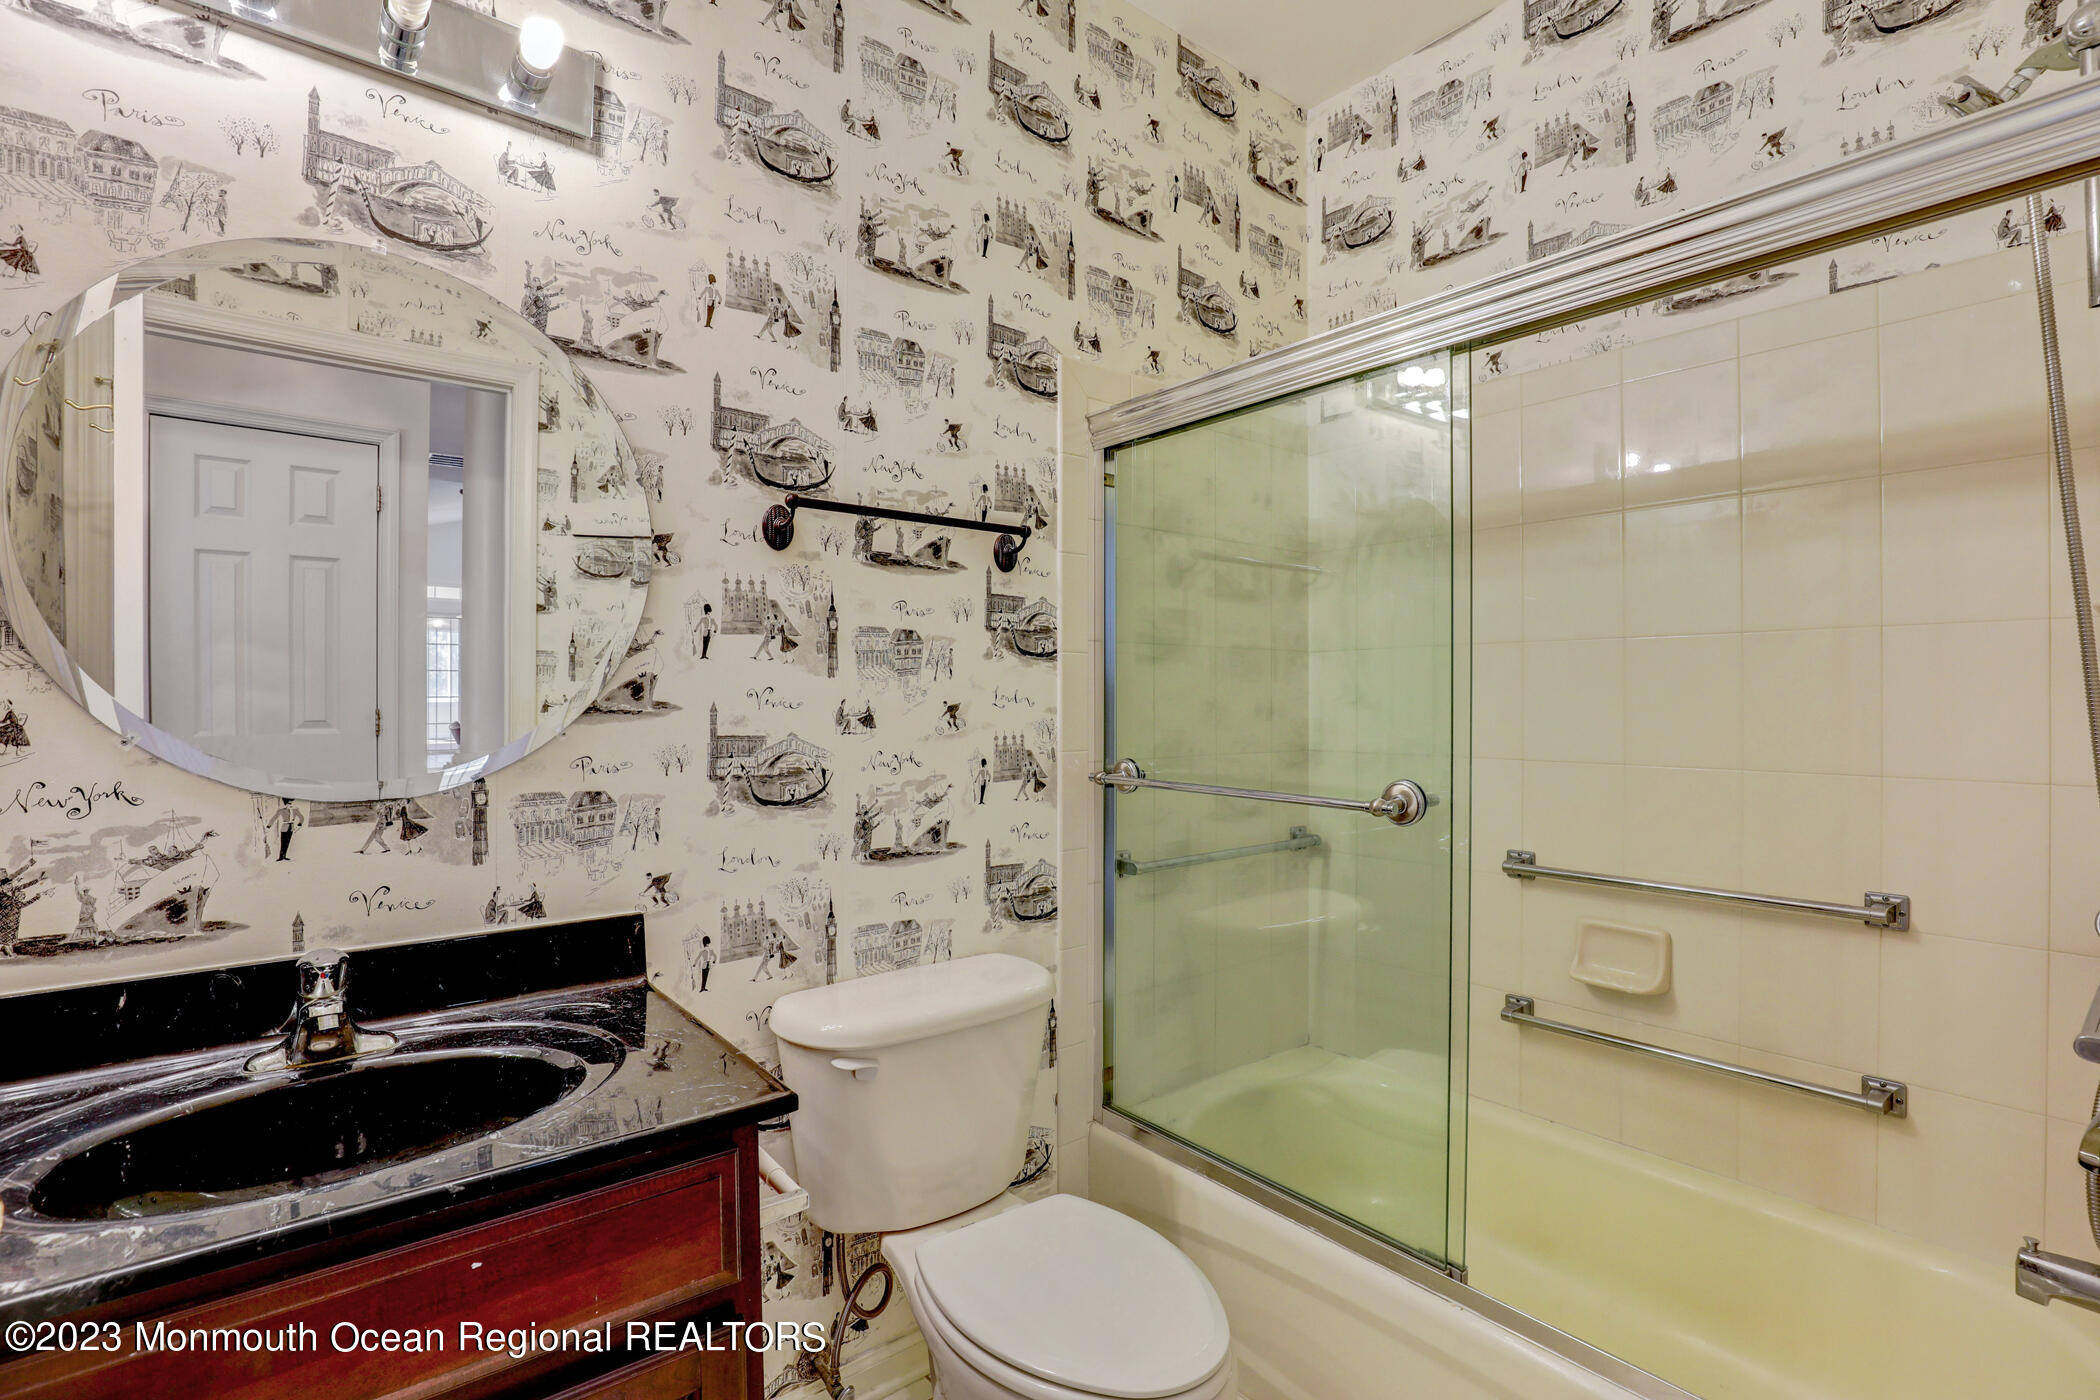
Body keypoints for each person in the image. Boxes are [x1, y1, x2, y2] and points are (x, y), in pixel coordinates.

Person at [264, 797, 303, 862]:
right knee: (283, 843)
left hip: (291, 828)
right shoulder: (281, 811)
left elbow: (302, 818)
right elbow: (274, 818)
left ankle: (284, 856)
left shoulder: (295, 810)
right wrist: (268, 826)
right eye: (289, 803)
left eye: (291, 803)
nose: (290, 805)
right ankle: (281, 857)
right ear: (286, 804)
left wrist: (299, 825)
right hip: (284, 828)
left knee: (287, 843)